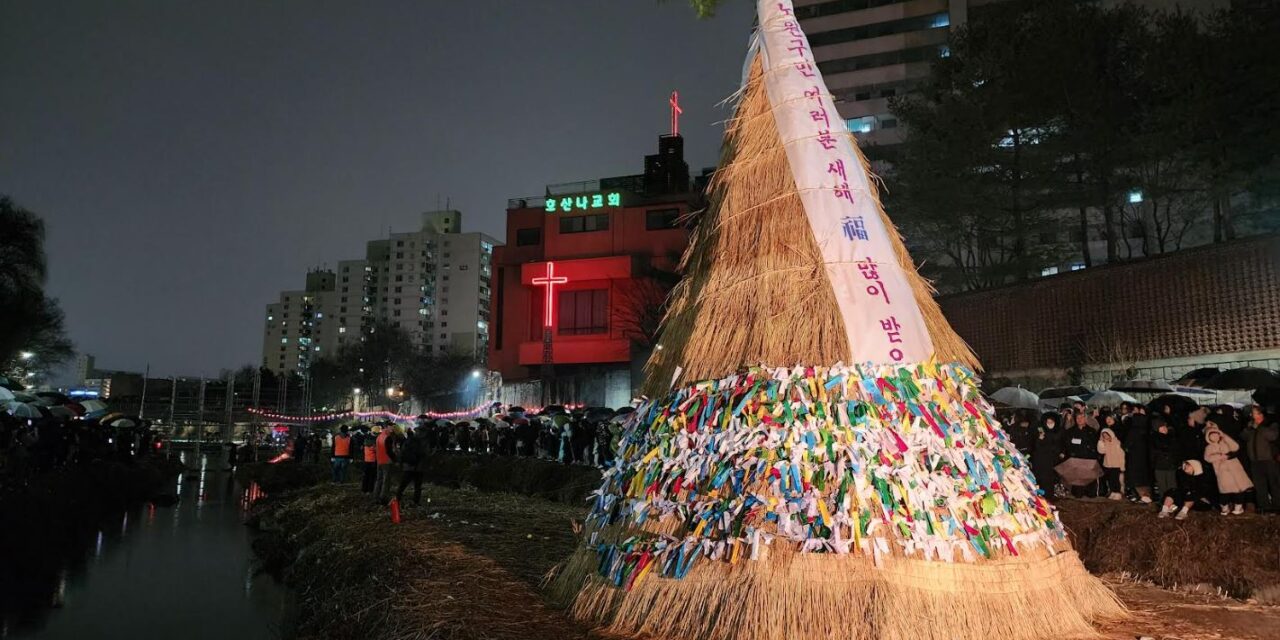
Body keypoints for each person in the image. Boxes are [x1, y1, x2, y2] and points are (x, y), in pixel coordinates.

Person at [1203, 419, 1251, 515]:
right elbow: (1207, 458)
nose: (1214, 436)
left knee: (1239, 489)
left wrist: (1224, 436)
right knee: (1224, 491)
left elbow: (1235, 447)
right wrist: (1221, 456)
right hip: (1222, 471)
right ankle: (1224, 507)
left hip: (1235, 470)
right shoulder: (1209, 448)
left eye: (1216, 434)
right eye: (1212, 435)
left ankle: (1238, 506)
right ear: (1208, 437)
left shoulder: (1225, 443)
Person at [1243, 405, 1280, 513]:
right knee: (1260, 486)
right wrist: (1250, 428)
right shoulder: (1250, 425)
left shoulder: (1271, 424)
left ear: (1260, 414)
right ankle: (1264, 507)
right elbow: (1243, 437)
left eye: (1253, 413)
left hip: (1269, 460)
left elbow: (1272, 436)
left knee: (1274, 484)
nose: (1251, 415)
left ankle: (1277, 506)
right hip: (1255, 461)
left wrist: (1259, 427)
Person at [1062, 412, 1101, 497]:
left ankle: (1091, 492)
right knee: (1078, 486)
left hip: (1088, 458)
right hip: (1076, 457)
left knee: (1090, 480)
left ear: (1085, 419)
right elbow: (1067, 444)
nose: (1079, 420)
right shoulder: (1070, 431)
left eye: (1082, 418)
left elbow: (1095, 444)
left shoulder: (1092, 431)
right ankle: (1078, 492)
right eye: (1077, 418)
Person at [1123, 405, 1153, 503]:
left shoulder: (1133, 430)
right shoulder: (1147, 429)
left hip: (1134, 457)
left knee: (1135, 477)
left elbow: (1127, 444)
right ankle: (1146, 495)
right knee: (1144, 477)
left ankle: (1140, 495)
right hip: (1145, 458)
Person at [1031, 413, 1064, 498]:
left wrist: (1061, 453)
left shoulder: (1059, 431)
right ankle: (1041, 496)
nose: (1049, 423)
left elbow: (1062, 444)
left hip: (1053, 459)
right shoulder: (1040, 431)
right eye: (1048, 421)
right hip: (1041, 460)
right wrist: (1039, 439)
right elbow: (1035, 446)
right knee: (1042, 479)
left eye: (1051, 421)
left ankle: (1050, 496)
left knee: (1051, 480)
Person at [397, 426, 429, 506]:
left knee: (403, 484)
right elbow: (425, 454)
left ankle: (397, 498)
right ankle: (416, 501)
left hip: (408, 466)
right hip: (419, 467)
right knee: (418, 486)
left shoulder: (409, 440)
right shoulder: (424, 441)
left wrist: (401, 463)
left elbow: (402, 451)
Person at [1149, 417, 1179, 498]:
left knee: (1171, 484)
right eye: (1162, 427)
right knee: (1162, 485)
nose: (1165, 428)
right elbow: (1153, 453)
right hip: (1159, 465)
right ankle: (1164, 501)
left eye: (1165, 426)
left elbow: (1176, 450)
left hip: (1170, 465)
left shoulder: (1172, 437)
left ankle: (1172, 500)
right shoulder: (1153, 439)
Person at [372, 422, 400, 505]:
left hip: (379, 461)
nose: (392, 428)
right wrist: (395, 460)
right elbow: (389, 451)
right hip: (386, 461)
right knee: (386, 481)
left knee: (379, 479)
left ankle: (375, 496)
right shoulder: (388, 437)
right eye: (391, 427)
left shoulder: (379, 436)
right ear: (386, 427)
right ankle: (383, 497)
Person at [1096, 425, 1125, 500]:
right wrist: (1100, 441)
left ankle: (1117, 492)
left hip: (1116, 464)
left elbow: (1121, 455)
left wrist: (1122, 466)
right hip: (1108, 464)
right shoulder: (1104, 443)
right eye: (1104, 436)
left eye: (1106, 435)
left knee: (1116, 479)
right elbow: (1101, 451)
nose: (1106, 437)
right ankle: (1112, 492)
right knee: (1110, 479)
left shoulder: (1117, 442)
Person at [358, 426, 377, 493]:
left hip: (366, 460)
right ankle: (370, 490)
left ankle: (364, 489)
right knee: (372, 476)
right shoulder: (375, 443)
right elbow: (377, 451)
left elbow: (362, 450)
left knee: (366, 476)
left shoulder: (365, 442)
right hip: (373, 461)